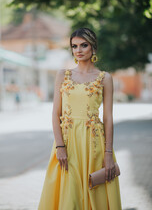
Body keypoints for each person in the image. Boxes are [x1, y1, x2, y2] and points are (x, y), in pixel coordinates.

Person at [38, 28, 122, 209]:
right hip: (68, 143)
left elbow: (108, 118)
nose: (79, 50)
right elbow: (55, 113)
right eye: (74, 46)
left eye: (84, 45)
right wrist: (60, 146)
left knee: (94, 191)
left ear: (93, 47)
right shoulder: (63, 75)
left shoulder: (104, 78)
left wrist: (108, 154)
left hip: (94, 143)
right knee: (71, 196)